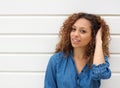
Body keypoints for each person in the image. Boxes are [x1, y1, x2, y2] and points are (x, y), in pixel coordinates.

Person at [44, 12, 111, 88]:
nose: (75, 34)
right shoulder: (56, 60)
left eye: (83, 31)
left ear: (93, 36)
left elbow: (100, 73)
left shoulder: (98, 60)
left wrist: (99, 41)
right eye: (73, 29)